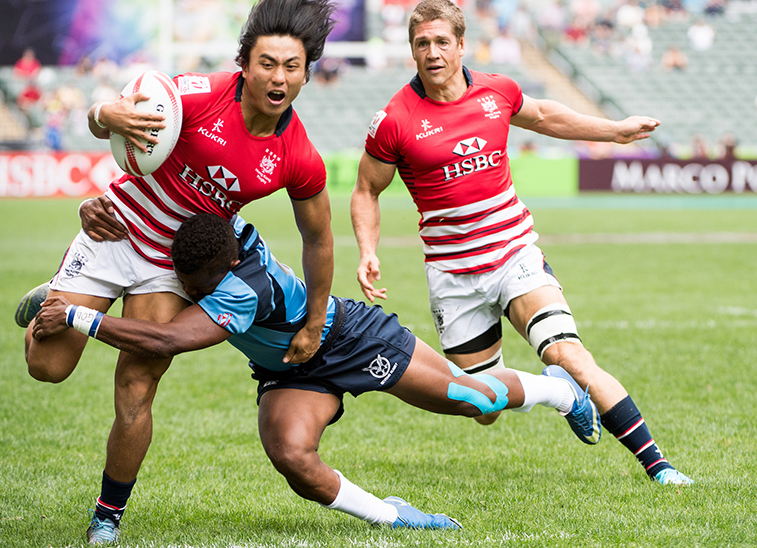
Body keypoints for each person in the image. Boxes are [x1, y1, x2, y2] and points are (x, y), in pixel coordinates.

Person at [32, 213, 601, 536]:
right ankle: (393, 516)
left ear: (226, 268)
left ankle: (559, 391)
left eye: (199, 283)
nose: (192, 291)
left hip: (352, 339)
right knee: (292, 457)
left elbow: (170, 339)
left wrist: (81, 315)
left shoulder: (243, 286)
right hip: (290, 369)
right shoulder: (219, 239)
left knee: (469, 398)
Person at [18, 0, 337, 544]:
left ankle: (107, 517)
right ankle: (58, 291)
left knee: (137, 386)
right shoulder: (195, 96)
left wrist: (313, 321)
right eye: (266, 63)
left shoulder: (298, 155)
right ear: (244, 65)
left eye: (292, 66)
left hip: (171, 266)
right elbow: (110, 124)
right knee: (47, 367)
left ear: (309, 74)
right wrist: (102, 112)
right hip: (113, 230)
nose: (278, 78)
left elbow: (319, 238)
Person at [350, 0, 693, 487]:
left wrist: (613, 131)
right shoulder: (394, 121)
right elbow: (366, 190)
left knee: (570, 355)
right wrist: (367, 249)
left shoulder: (497, 92)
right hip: (453, 275)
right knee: (481, 406)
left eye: (442, 41)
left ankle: (659, 466)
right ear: (411, 50)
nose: (432, 52)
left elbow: (546, 116)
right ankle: (556, 391)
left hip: (514, 254)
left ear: (462, 45)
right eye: (421, 43)